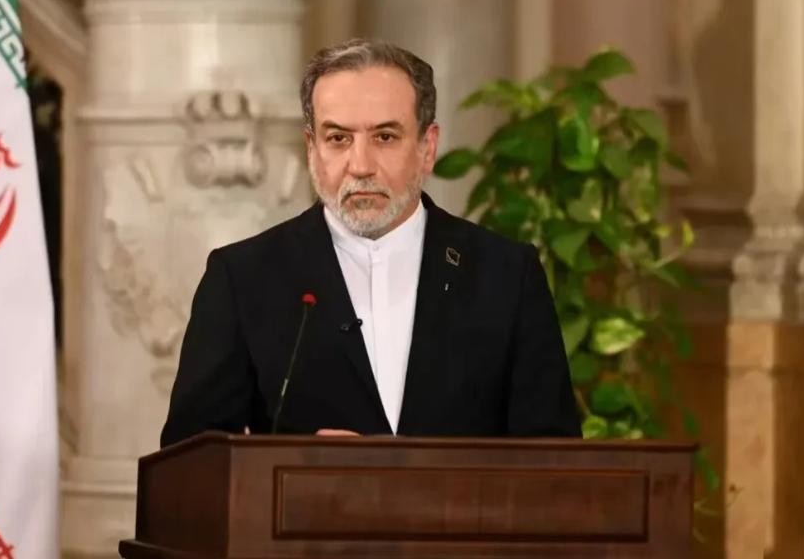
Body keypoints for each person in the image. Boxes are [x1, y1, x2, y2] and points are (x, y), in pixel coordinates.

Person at [160, 39, 580, 447]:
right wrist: (296, 466)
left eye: (385, 137)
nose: (360, 166)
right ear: (311, 149)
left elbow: (554, 463)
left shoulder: (506, 275)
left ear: (427, 147)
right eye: (338, 138)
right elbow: (193, 465)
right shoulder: (243, 279)